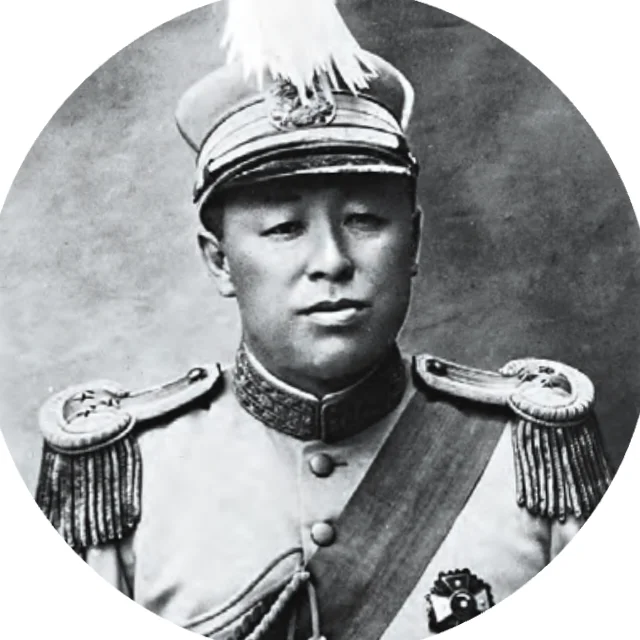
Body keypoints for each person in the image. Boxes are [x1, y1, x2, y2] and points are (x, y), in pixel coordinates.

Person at [34, 1, 611, 638]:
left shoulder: (528, 460)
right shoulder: (125, 482)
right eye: (284, 228)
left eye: (364, 220)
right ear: (220, 262)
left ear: (414, 243)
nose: (332, 261)